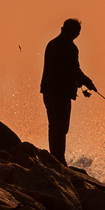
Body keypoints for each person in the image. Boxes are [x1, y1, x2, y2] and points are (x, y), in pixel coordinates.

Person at [41, 17, 96, 163]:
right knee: (61, 127)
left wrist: (78, 81)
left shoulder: (52, 44)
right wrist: (88, 82)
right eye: (77, 32)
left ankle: (56, 157)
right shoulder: (70, 47)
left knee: (54, 126)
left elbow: (62, 70)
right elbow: (73, 70)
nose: (77, 35)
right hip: (60, 94)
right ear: (73, 32)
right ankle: (59, 159)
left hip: (48, 91)